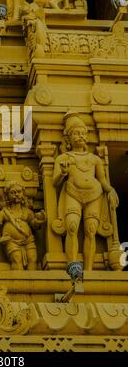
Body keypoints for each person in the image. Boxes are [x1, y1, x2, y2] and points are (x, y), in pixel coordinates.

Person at [52, 111, 119, 270]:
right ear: (68, 138)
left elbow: (102, 180)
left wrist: (111, 190)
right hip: (73, 193)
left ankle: (88, 269)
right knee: (72, 226)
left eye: (83, 133)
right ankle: (73, 267)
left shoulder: (94, 159)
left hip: (94, 194)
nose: (80, 136)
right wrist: (63, 172)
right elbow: (55, 182)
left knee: (91, 230)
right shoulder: (63, 158)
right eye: (76, 133)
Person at [0, 182, 45, 270]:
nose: (16, 194)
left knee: (33, 258)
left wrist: (39, 221)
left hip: (28, 240)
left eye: (19, 191)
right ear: (7, 196)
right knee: (16, 259)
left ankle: (32, 281)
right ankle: (19, 282)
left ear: (23, 194)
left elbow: (34, 224)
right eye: (13, 192)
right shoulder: (4, 212)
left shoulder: (27, 211)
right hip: (11, 241)